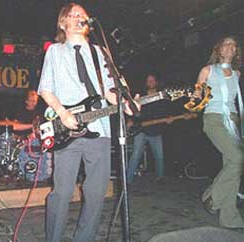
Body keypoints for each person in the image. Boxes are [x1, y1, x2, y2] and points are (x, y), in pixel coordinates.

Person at [38, 3, 135, 242]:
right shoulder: (55, 51)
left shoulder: (101, 52)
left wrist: (128, 101)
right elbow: (45, 90)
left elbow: (111, 92)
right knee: (62, 192)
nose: (79, 17)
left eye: (82, 14)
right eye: (73, 14)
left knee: (96, 192)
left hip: (100, 128)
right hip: (67, 129)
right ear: (63, 23)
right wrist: (62, 113)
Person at [195, 36, 244, 229]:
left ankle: (230, 219)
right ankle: (211, 197)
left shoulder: (237, 74)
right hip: (214, 119)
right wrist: (196, 96)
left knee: (233, 168)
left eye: (234, 45)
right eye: (227, 44)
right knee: (238, 159)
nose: (231, 47)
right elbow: (196, 96)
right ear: (220, 50)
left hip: (232, 121)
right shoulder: (207, 71)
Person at [127, 74, 172, 183]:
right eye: (148, 81)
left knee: (159, 156)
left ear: (156, 82)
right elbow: (134, 111)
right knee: (136, 155)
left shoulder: (162, 97)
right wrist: (130, 119)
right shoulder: (141, 97)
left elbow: (167, 112)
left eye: (152, 80)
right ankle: (127, 180)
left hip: (156, 130)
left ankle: (160, 178)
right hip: (141, 130)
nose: (150, 82)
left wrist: (169, 118)